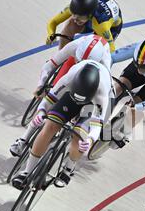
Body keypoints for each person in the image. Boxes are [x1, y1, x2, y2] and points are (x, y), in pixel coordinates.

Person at [11, 60, 113, 189]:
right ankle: (27, 172)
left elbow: (97, 124)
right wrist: (41, 112)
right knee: (50, 126)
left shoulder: (102, 93)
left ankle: (68, 169)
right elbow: (47, 101)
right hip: (71, 95)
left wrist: (90, 139)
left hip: (92, 104)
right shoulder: (68, 79)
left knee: (79, 138)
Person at [10, 34, 111, 157]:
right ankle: (23, 139)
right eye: (79, 61)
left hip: (92, 75)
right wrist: (41, 85)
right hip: (72, 67)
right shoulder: (74, 46)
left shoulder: (105, 62)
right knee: (55, 90)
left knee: (86, 96)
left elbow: (103, 93)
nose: (80, 64)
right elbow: (49, 66)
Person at [46, 0, 123, 52]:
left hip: (111, 27)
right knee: (70, 23)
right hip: (91, 19)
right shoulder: (74, 8)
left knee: (96, 49)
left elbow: (111, 50)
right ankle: (61, 55)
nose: (75, 19)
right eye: (73, 15)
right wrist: (51, 34)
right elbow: (53, 22)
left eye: (79, 18)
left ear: (89, 15)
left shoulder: (102, 25)